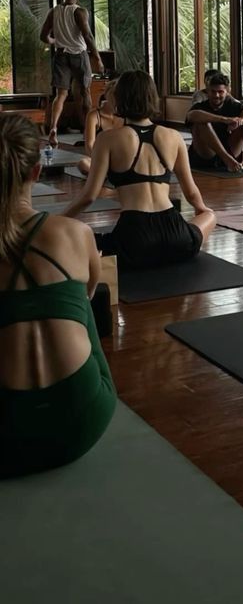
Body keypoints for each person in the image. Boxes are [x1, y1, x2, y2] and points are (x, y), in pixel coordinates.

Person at [0, 113, 116, 477]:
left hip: (9, 436)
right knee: (81, 302)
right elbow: (88, 293)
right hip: (83, 421)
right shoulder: (76, 233)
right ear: (36, 172)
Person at [64, 71, 215, 270]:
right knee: (210, 215)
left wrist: (56, 221)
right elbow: (192, 193)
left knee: (77, 233)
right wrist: (201, 210)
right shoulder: (174, 136)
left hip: (134, 239)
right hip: (176, 237)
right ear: (153, 98)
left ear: (119, 99)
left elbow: (89, 197)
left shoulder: (108, 139)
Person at [40, 0, 105, 148]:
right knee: (85, 92)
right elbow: (87, 35)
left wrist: (55, 41)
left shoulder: (54, 11)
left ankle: (53, 127)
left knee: (61, 95)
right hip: (78, 54)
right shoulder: (79, 11)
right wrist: (97, 57)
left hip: (60, 55)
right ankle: (88, 132)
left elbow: (43, 36)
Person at [186, 72, 243, 171]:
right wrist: (224, 119)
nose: (216, 95)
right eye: (213, 92)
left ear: (227, 91)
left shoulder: (233, 105)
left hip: (231, 150)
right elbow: (191, 116)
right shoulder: (200, 106)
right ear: (207, 92)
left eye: (220, 92)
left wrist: (242, 120)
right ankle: (226, 159)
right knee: (201, 122)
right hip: (206, 155)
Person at [78, 73, 122, 176]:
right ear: (109, 97)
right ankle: (105, 173)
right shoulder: (94, 115)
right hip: (100, 159)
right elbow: (89, 145)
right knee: (83, 163)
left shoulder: (125, 116)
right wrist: (103, 161)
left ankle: (105, 174)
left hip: (121, 159)